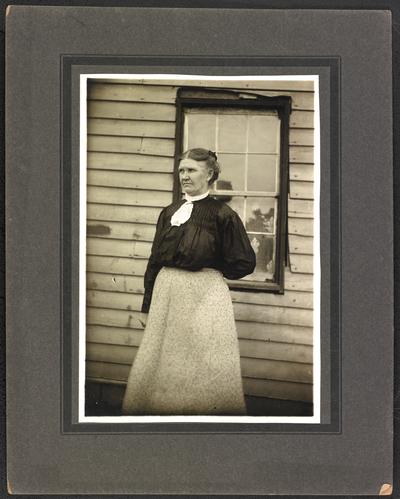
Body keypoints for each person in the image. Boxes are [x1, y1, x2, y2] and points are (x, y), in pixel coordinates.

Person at [122, 148, 256, 415]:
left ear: (209, 174)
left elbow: (244, 261)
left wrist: (211, 268)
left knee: (200, 358)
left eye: (191, 170)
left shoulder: (222, 214)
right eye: (181, 170)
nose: (184, 175)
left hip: (204, 295)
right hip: (166, 292)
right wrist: (147, 306)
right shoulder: (169, 212)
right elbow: (154, 262)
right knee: (163, 358)